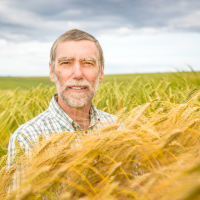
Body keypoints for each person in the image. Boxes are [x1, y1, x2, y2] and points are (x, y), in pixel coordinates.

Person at [7, 29, 115, 191]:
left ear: (101, 72)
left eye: (88, 63)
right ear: (52, 72)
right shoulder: (26, 138)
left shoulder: (119, 127)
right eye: (66, 63)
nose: (78, 74)